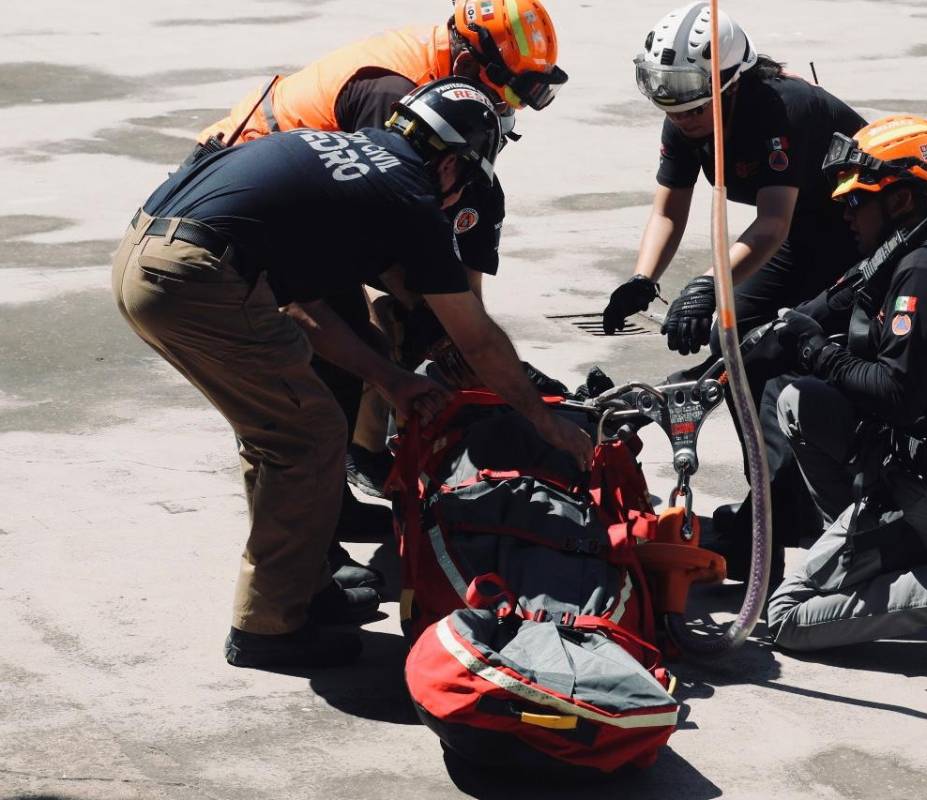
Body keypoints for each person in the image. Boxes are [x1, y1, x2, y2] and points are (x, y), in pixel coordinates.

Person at [112, 78, 593, 670]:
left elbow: (303, 306)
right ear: (450, 164)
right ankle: (269, 630)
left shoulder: (349, 162)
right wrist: (544, 421)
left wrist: (391, 380)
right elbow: (476, 338)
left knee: (279, 432)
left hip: (147, 254)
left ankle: (300, 586)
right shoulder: (410, 197)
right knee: (308, 437)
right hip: (196, 275)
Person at [191, 0, 568, 577]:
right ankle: (312, 552)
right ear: (468, 64)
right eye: (511, 90)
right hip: (244, 212)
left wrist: (459, 335)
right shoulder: (394, 98)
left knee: (381, 339)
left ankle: (334, 502)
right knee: (319, 378)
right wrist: (459, 340)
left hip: (303, 208)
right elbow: (399, 234)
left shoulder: (444, 93)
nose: (513, 107)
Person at [753, 116, 927, 683]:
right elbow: (817, 312)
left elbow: (895, 395)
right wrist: (743, 339)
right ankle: (870, 555)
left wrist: (815, 351)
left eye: (856, 201)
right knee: (797, 401)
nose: (846, 214)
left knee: (785, 617)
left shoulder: (925, 275)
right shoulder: (917, 253)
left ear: (901, 199)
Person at [602, 2, 867, 572]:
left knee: (771, 353)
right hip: (804, 230)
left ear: (731, 81)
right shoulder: (686, 118)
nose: (682, 117)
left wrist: (705, 285)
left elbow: (770, 224)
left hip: (857, 238)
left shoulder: (779, 111)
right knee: (733, 341)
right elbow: (668, 209)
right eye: (670, 104)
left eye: (695, 105)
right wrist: (643, 279)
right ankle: (776, 508)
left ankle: (776, 518)